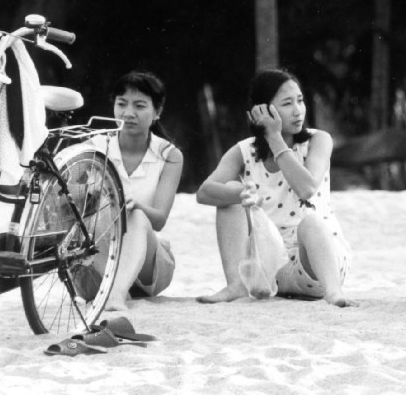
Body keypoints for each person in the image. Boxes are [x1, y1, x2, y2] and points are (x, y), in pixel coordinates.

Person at [196, 68, 353, 307]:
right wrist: (241, 193)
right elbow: (204, 192)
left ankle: (334, 293)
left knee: (310, 222)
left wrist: (274, 137)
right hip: (268, 269)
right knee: (228, 196)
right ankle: (236, 286)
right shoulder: (244, 150)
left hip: (316, 266)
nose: (298, 110)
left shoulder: (318, 140)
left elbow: (307, 188)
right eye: (287, 103)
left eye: (300, 101)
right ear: (262, 111)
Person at [90, 71, 184, 311]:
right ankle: (113, 288)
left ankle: (116, 294)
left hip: (149, 270)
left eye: (140, 106)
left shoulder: (168, 155)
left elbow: (160, 220)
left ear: (157, 112)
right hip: (97, 265)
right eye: (121, 104)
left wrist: (131, 205)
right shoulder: (95, 147)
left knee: (135, 214)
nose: (128, 113)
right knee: (96, 214)